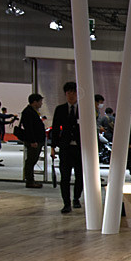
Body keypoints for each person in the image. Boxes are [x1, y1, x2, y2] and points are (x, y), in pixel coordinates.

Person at [51, 81, 83, 214]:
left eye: (74, 92)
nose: (71, 95)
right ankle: (66, 203)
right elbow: (55, 128)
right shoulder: (60, 109)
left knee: (80, 176)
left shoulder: (83, 109)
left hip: (80, 149)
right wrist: (53, 147)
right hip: (65, 148)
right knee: (65, 177)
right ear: (65, 94)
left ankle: (76, 198)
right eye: (69, 92)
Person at [20, 93, 45, 188]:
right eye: (40, 101)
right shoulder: (28, 112)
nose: (41, 103)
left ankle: (30, 179)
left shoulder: (33, 111)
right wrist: (33, 141)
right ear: (35, 102)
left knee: (32, 160)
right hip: (34, 140)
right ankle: (30, 180)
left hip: (36, 139)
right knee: (31, 160)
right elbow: (29, 128)